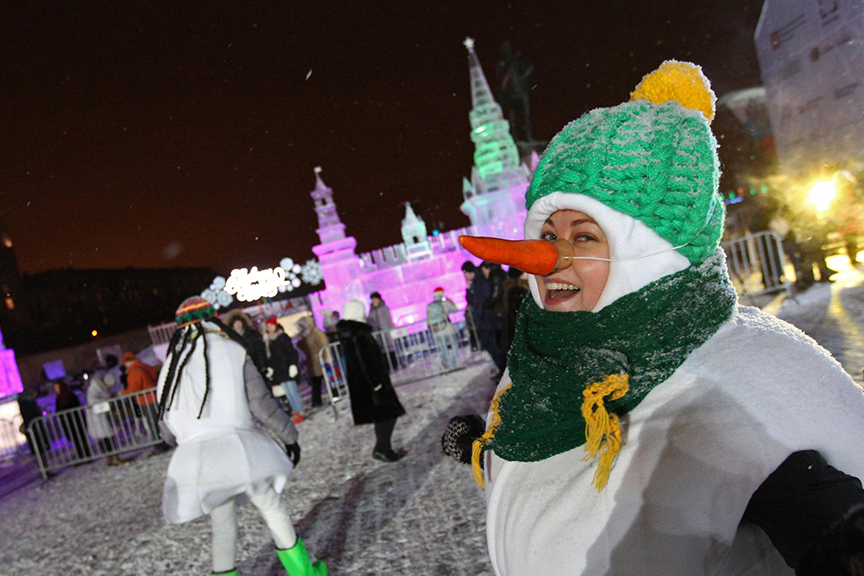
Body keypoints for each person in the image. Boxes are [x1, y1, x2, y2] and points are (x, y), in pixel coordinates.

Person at [449, 61, 864, 575]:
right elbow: (552, 467)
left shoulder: (731, 383)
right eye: (547, 234)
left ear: (646, 254)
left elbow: (811, 500)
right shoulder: (544, 356)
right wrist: (484, 444)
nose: (549, 258)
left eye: (584, 237)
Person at [157, 296, 326, 576]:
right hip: (242, 448)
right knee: (271, 507)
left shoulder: (171, 366)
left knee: (223, 525)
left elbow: (165, 424)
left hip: (202, 457)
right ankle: (303, 573)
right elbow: (260, 402)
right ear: (213, 318)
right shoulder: (231, 349)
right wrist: (288, 436)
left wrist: (190, 439)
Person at [336, 300, 406, 462]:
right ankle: (382, 449)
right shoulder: (359, 334)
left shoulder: (349, 334)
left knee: (383, 416)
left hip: (363, 385)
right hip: (372, 384)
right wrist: (377, 384)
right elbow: (367, 362)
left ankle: (383, 448)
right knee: (388, 414)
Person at [122, 351, 172, 454]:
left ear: (129, 361)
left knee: (152, 425)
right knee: (156, 423)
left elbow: (134, 389)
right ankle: (161, 443)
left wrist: (123, 393)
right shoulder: (145, 367)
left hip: (146, 401)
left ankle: (158, 446)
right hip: (154, 397)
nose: (125, 365)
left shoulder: (135, 372)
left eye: (126, 363)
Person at [467, 261, 507, 375]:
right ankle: (503, 371)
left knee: (494, 347)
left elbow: (481, 300)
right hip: (489, 319)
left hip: (488, 319)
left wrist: (483, 307)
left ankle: (504, 371)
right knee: (496, 346)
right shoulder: (481, 280)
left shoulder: (481, 281)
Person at [264, 315, 305, 424]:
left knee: (292, 391)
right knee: (287, 392)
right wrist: (271, 368)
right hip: (279, 371)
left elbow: (291, 352)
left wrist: (292, 364)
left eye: (271, 325)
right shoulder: (269, 340)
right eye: (268, 326)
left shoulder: (283, 337)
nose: (270, 328)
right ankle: (295, 412)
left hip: (287, 368)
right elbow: (271, 357)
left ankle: (299, 411)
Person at [86, 370, 123, 466]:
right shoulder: (96, 388)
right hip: (98, 418)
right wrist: (107, 401)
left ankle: (110, 458)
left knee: (106, 438)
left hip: (101, 417)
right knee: (107, 438)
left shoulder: (100, 388)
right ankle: (112, 457)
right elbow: (92, 401)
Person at [53, 379, 92, 461]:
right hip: (68, 424)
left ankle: (87, 456)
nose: (55, 390)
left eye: (57, 388)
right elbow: (58, 411)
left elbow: (76, 407)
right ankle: (81, 457)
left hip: (77, 421)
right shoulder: (58, 399)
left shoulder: (71, 396)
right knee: (76, 441)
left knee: (81, 439)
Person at [295, 317, 330, 408]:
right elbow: (303, 347)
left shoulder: (315, 332)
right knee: (316, 381)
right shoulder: (305, 336)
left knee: (323, 379)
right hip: (312, 362)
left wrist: (327, 356)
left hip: (319, 359)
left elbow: (323, 343)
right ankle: (317, 401)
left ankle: (324, 398)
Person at [425, 287, 459, 370]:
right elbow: (455, 309)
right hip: (447, 329)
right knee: (454, 344)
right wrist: (449, 300)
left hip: (436, 331)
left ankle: (444, 364)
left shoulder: (430, 306)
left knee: (442, 348)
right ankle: (452, 364)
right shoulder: (445, 303)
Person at [367, 292, 398, 368]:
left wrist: (392, 328)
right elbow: (370, 320)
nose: (374, 300)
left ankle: (394, 364)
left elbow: (388, 318)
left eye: (375, 298)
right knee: (382, 349)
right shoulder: (371, 310)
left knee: (390, 347)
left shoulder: (384, 308)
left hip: (386, 330)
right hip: (377, 332)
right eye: (373, 299)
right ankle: (387, 365)